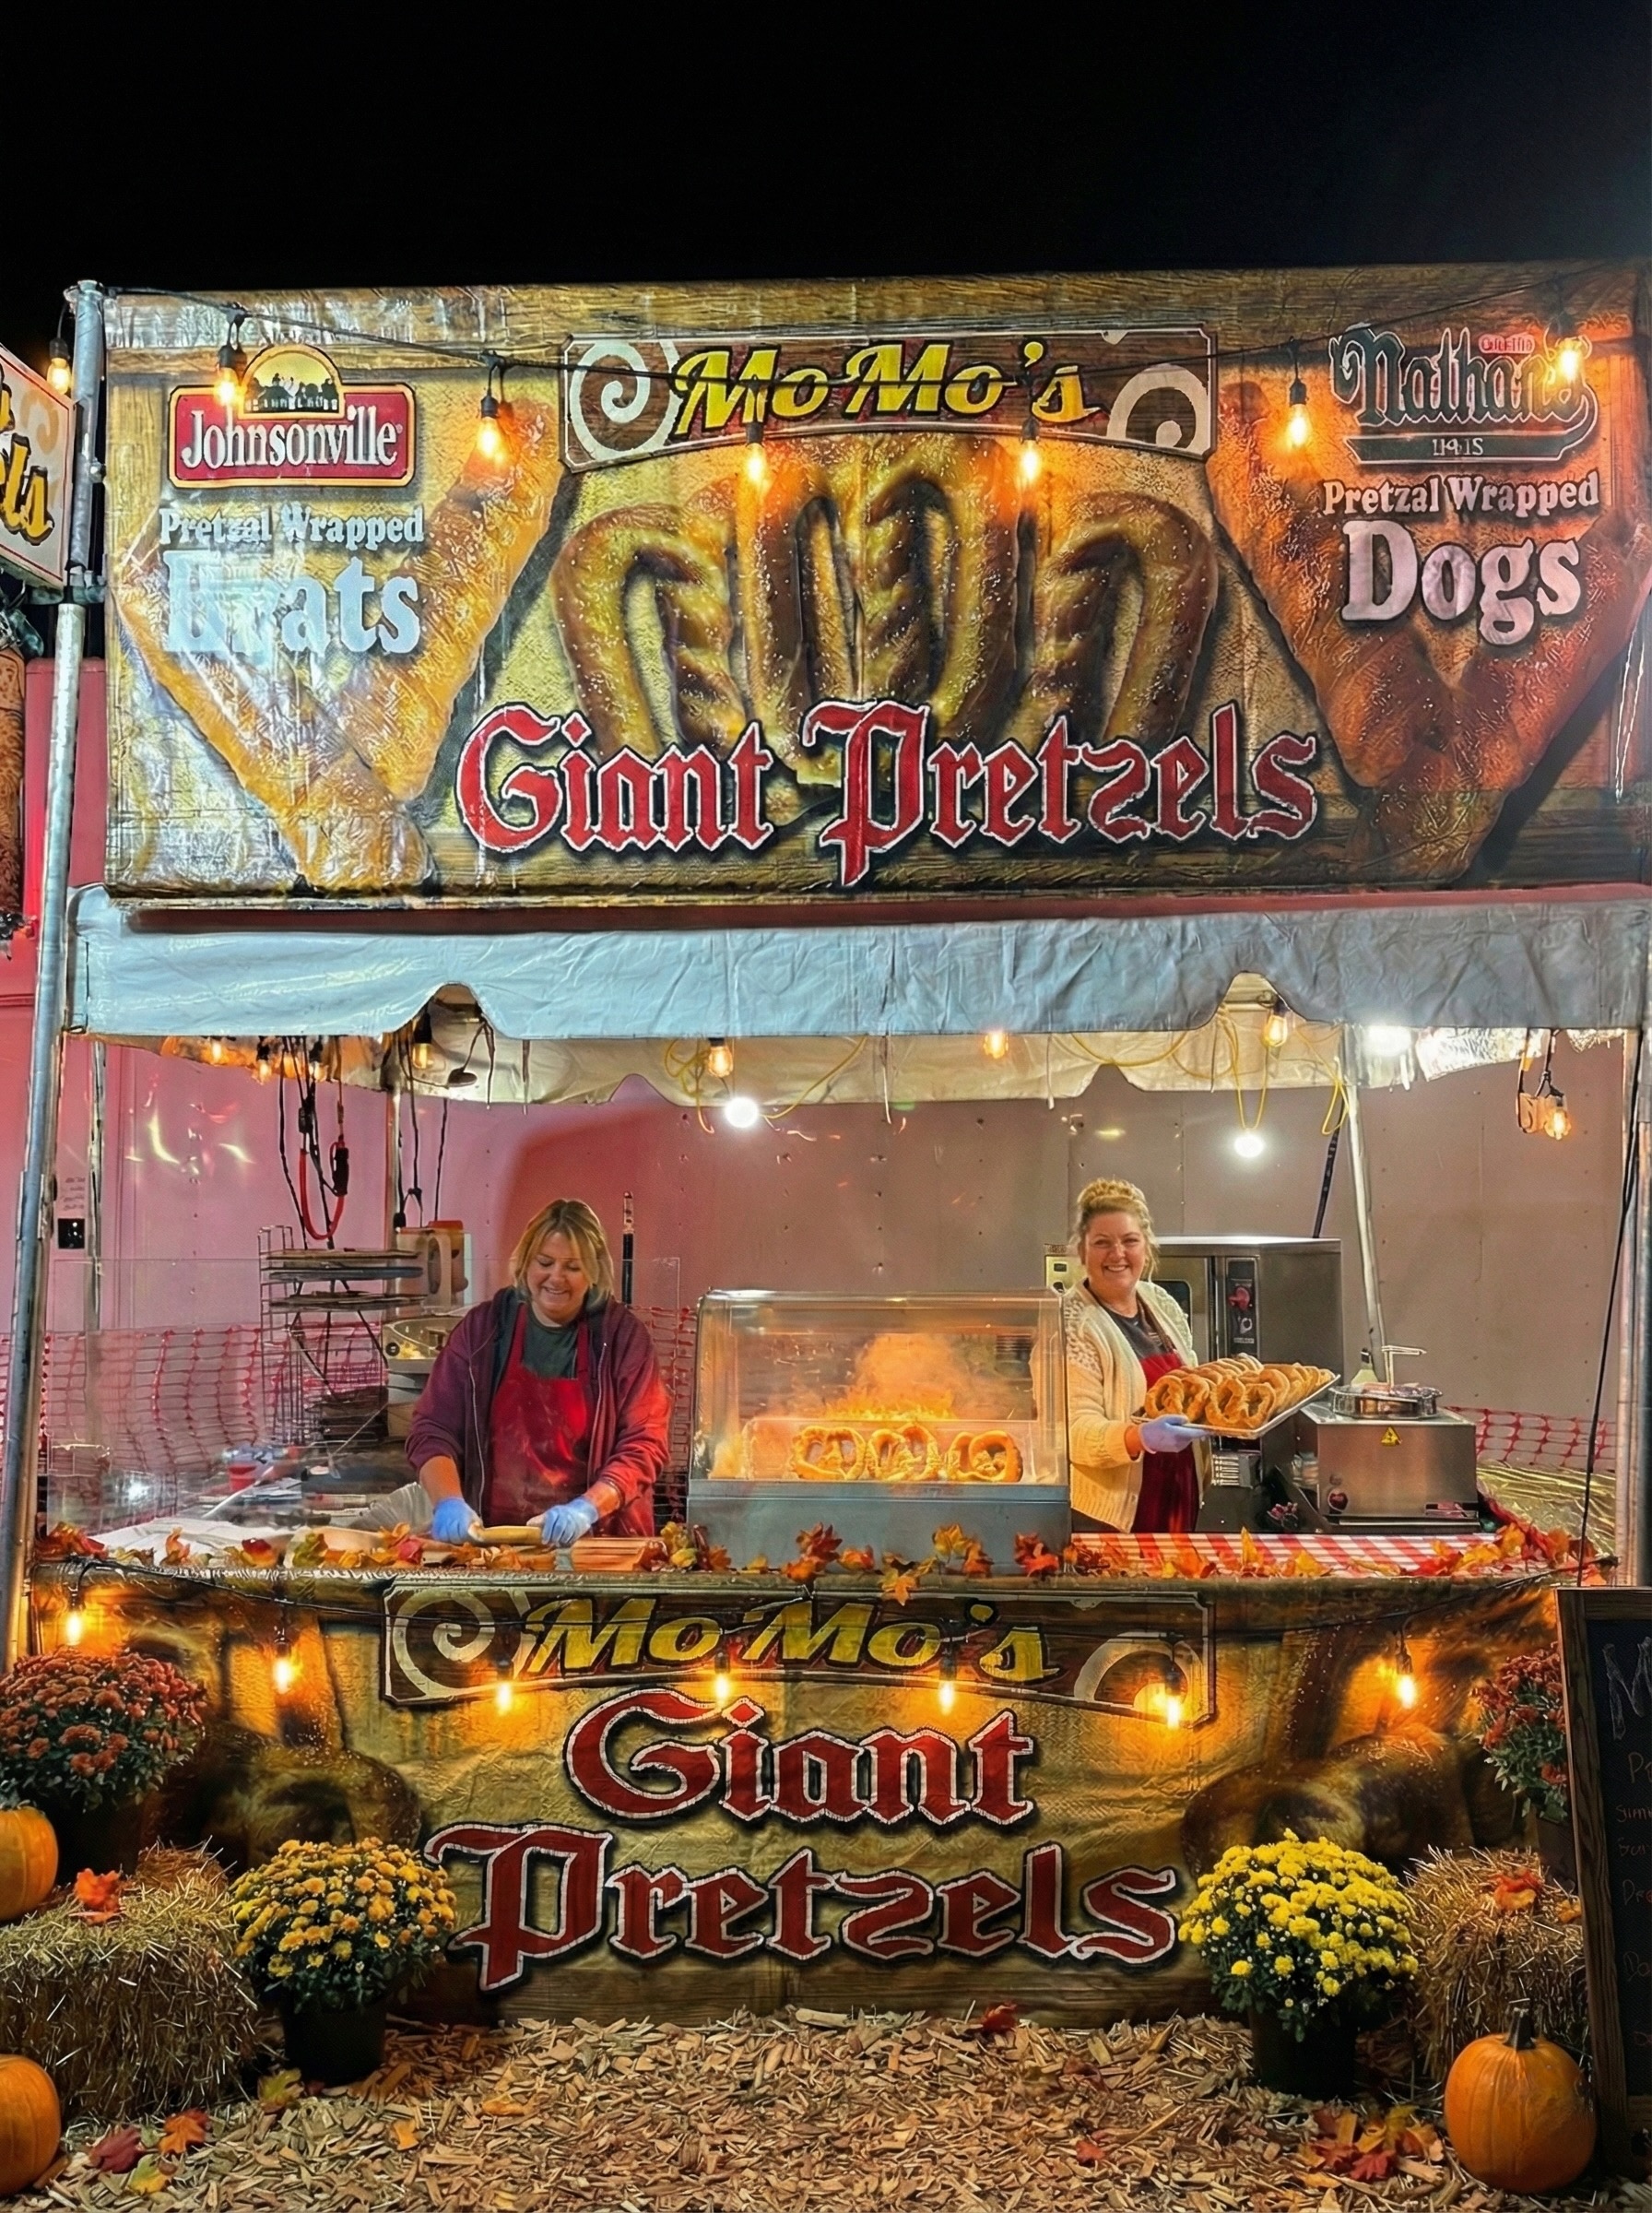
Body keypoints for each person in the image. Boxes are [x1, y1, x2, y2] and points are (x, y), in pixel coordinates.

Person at [408, 1198, 670, 1545]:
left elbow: (645, 1443)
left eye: (573, 1267)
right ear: (525, 1264)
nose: (556, 1278)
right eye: (544, 1262)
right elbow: (433, 1429)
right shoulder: (484, 1331)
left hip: (596, 1543)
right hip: (492, 1542)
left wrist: (586, 1509)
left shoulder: (621, 1338)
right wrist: (449, 1501)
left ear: (593, 1272)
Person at [1062, 1178, 1206, 1533]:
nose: (1117, 1254)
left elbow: (1192, 1385)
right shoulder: (1071, 1325)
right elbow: (1074, 1434)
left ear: (1146, 1246)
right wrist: (1139, 1438)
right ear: (1082, 1252)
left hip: (1177, 1493)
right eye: (1102, 1243)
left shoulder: (1160, 1303)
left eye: (1129, 1241)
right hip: (1114, 1516)